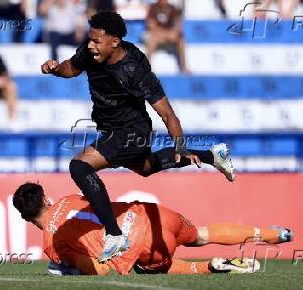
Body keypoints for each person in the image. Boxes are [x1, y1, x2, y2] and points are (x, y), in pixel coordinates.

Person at [41, 11, 235, 262]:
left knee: (79, 166)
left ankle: (114, 234)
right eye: (90, 40)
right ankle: (213, 155)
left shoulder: (135, 67)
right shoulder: (90, 51)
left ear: (114, 41)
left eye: (96, 41)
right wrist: (55, 69)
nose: (90, 45)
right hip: (109, 128)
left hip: (132, 131)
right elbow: (71, 68)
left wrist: (182, 146)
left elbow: (167, 114)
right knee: (146, 168)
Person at [13, 182, 293, 275]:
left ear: (26, 218)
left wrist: (70, 272)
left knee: (139, 265)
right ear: (46, 198)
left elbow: (98, 270)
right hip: (151, 213)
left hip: (140, 246)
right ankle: (274, 234)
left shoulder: (52, 244)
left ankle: (211, 267)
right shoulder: (68, 199)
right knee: (201, 234)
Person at [145, 0, 187, 73]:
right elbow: (151, 25)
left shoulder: (172, 8)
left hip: (168, 36)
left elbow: (177, 27)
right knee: (153, 38)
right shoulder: (153, 8)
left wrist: (170, 33)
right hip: (157, 35)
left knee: (181, 40)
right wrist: (166, 33)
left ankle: (184, 67)